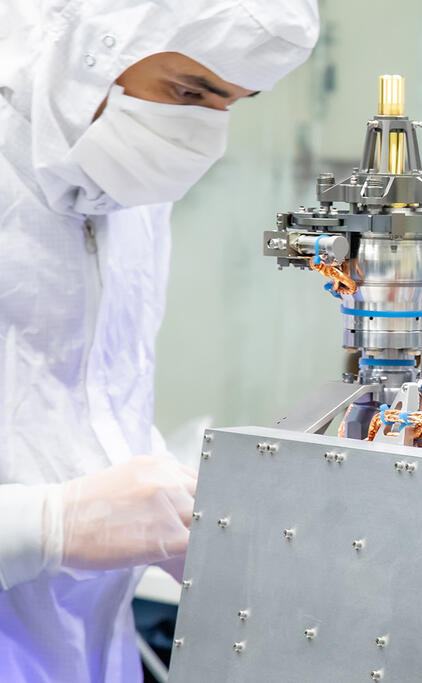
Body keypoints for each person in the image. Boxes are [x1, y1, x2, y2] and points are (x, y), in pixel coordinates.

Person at [0, 1, 318, 679]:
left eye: (233, 101)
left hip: (85, 649)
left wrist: (171, 510)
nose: (204, 133)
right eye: (189, 91)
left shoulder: (127, 190)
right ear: (90, 41)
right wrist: (47, 523)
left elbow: (83, 407)